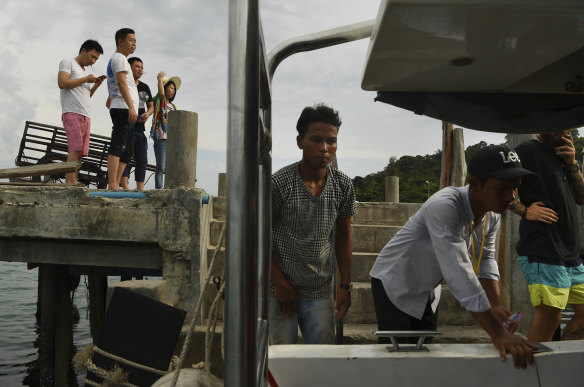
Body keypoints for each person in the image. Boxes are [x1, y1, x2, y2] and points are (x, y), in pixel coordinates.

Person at [369, 144, 537, 369]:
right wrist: (498, 334)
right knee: (396, 357)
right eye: (503, 188)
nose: (511, 196)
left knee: (424, 353)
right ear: (475, 183)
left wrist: (495, 304)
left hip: (428, 287)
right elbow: (459, 272)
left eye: (516, 188)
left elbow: (486, 258)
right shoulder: (445, 206)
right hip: (395, 281)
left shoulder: (492, 213)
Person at [269, 103, 356, 345]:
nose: (325, 148)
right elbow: (259, 236)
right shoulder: (279, 183)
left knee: (321, 361)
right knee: (281, 362)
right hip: (280, 291)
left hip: (320, 291)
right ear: (300, 141)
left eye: (331, 141)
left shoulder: (343, 185)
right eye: (316, 140)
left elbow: (344, 233)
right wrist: (278, 282)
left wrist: (345, 285)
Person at [509, 131, 584, 342]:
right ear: (542, 125)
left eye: (568, 128)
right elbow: (497, 186)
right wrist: (525, 211)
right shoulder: (527, 151)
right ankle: (533, 373)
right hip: (543, 248)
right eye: (559, 127)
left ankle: (561, 364)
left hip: (570, 253)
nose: (565, 132)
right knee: (551, 316)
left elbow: (582, 198)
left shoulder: (563, 156)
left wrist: (572, 164)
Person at [57, 39, 105, 185]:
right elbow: (62, 83)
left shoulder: (84, 72)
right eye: (92, 56)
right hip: (72, 112)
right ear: (83, 50)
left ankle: (73, 179)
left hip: (85, 114)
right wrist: (86, 79)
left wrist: (95, 85)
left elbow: (85, 95)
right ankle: (70, 181)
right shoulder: (68, 62)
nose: (93, 61)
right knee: (75, 147)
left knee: (79, 151)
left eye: (96, 58)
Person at [105, 28, 138, 190]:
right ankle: (112, 183)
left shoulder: (122, 59)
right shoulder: (119, 58)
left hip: (127, 108)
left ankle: (116, 182)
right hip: (123, 108)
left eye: (135, 41)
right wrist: (131, 106)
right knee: (118, 145)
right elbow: (121, 83)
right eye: (131, 40)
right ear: (120, 41)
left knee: (128, 150)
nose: (134, 43)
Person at [118, 57, 154, 191]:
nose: (140, 69)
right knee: (126, 157)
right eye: (137, 66)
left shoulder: (145, 87)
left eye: (142, 67)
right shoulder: (124, 84)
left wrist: (148, 114)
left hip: (140, 129)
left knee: (142, 159)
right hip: (127, 128)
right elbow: (110, 103)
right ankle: (125, 186)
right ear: (129, 68)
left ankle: (140, 188)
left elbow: (151, 106)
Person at [150, 71, 180, 189]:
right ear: (164, 88)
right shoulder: (157, 100)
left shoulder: (174, 107)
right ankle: (159, 190)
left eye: (174, 89)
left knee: (170, 166)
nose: (173, 90)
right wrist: (159, 80)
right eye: (171, 88)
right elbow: (161, 95)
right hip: (161, 138)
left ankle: (168, 188)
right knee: (161, 166)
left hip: (171, 140)